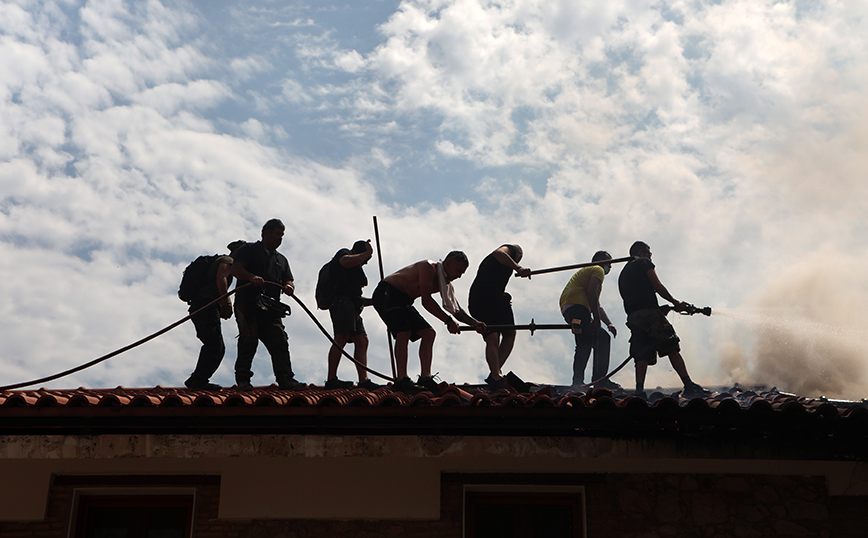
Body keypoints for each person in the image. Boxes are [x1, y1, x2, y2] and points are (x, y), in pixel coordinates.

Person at [372, 251, 485, 393]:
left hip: (404, 301)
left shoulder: (444, 284)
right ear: (448, 263)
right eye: (458, 270)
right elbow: (426, 301)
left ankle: (425, 377)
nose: (459, 276)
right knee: (404, 332)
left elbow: (456, 310)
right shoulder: (428, 267)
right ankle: (401, 379)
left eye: (462, 273)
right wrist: (448, 321)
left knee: (428, 333)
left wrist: (475, 323)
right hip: (387, 293)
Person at [618, 241, 707, 398]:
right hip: (650, 314)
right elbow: (657, 286)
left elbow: (637, 299)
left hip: (634, 317)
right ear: (641, 252)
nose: (651, 257)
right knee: (671, 346)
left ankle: (639, 391)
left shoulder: (624, 273)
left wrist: (659, 309)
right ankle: (689, 385)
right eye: (649, 253)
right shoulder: (643, 262)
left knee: (641, 354)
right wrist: (675, 302)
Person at [230, 219, 305, 391]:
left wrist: (289, 286)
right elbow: (235, 269)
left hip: (270, 308)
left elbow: (289, 279)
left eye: (282, 235)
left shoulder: (281, 260)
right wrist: (250, 277)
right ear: (266, 233)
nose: (280, 238)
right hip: (248, 303)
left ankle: (286, 380)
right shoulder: (248, 249)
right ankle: (243, 380)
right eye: (277, 234)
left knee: (279, 340)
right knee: (249, 338)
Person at [184, 240, 246, 390]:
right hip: (207, 305)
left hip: (203, 306)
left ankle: (198, 379)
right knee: (215, 346)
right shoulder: (228, 260)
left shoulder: (223, 260)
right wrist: (226, 302)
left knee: (214, 345)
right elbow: (221, 277)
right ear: (238, 251)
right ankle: (198, 381)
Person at [468, 244, 532, 390]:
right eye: (520, 256)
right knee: (493, 337)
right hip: (481, 300)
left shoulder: (509, 262)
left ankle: (494, 372)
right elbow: (499, 253)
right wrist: (518, 268)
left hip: (497, 299)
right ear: (517, 254)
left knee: (510, 333)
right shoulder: (506, 251)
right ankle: (496, 376)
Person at [324, 239, 381, 390]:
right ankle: (331, 380)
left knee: (362, 340)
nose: (366, 262)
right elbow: (345, 262)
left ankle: (364, 380)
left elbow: (356, 297)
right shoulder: (345, 255)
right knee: (341, 336)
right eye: (366, 259)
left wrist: (375, 301)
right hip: (342, 303)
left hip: (353, 306)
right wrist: (367, 253)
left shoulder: (355, 271)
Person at [558, 250, 620, 389]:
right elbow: (591, 294)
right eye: (609, 264)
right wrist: (597, 320)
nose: (609, 267)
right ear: (600, 261)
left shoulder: (586, 273)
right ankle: (584, 382)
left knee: (601, 338)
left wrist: (608, 323)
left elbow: (596, 303)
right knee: (584, 342)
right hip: (579, 308)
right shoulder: (597, 269)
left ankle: (595, 379)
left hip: (571, 309)